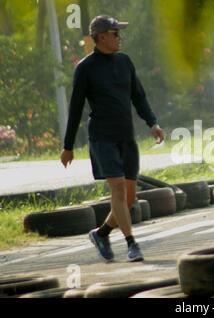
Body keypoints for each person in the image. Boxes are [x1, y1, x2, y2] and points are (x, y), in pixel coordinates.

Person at [60, 15, 164, 262]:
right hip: (102, 138)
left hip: (126, 137)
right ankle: (131, 243)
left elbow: (138, 96)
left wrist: (152, 122)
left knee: (129, 198)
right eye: (116, 33)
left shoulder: (125, 62)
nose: (120, 37)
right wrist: (68, 146)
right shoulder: (85, 68)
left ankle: (101, 233)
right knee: (116, 188)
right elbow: (75, 107)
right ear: (102, 37)